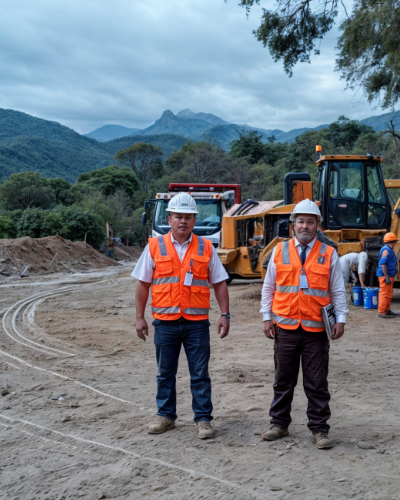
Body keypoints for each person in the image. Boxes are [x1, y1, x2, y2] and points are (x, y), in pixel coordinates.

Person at [132, 192, 230, 439]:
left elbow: (219, 283)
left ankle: (204, 420)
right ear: (169, 218)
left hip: (196, 324)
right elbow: (143, 284)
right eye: (178, 216)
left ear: (194, 220)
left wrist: (225, 314)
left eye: (188, 217)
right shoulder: (154, 246)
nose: (183, 221)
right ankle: (166, 416)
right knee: (165, 373)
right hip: (165, 323)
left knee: (200, 374)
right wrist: (139, 318)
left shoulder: (206, 246)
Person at [260, 199, 348, 449]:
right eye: (301, 221)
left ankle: (320, 429)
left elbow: (337, 290)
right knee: (283, 379)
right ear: (293, 225)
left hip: (317, 330)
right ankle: (279, 424)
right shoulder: (279, 251)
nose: (305, 226)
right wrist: (267, 317)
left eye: (310, 221)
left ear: (317, 225)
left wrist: (340, 319)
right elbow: (269, 288)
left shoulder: (329, 253)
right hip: (285, 328)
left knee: (317, 381)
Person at [377, 232, 399, 318]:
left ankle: (386, 310)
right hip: (386, 276)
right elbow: (383, 264)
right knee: (384, 294)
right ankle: (382, 312)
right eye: (394, 242)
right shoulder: (386, 250)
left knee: (388, 294)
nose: (395, 244)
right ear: (391, 242)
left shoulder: (388, 249)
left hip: (389, 276)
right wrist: (386, 277)